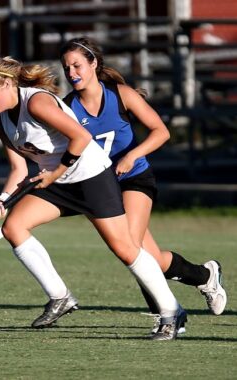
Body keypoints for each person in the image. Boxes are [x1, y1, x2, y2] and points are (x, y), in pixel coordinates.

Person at [0, 56, 186, 340]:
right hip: (58, 181)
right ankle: (60, 297)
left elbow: (81, 137)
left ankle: (172, 311)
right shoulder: (2, 121)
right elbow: (18, 169)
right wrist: (2, 198)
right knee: (14, 227)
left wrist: (54, 173)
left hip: (91, 176)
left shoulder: (36, 102)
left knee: (125, 248)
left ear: (8, 83)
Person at [59, 37, 227, 328]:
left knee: (131, 247)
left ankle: (169, 316)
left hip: (135, 177)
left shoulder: (121, 95)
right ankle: (204, 276)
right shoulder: (67, 108)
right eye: (66, 68)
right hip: (102, 186)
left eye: (77, 65)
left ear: (94, 64)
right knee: (151, 258)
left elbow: (161, 132)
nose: (72, 72)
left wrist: (131, 155)